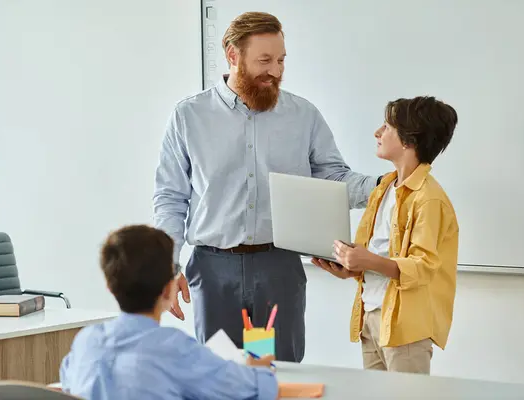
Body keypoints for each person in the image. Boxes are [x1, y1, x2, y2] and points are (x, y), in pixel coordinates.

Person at [153, 11, 378, 362]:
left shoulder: (303, 116)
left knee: (276, 372)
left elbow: (334, 178)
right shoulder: (189, 117)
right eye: (265, 60)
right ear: (233, 56)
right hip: (214, 272)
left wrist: (383, 186)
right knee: (220, 373)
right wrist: (168, 265)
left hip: (278, 270)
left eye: (281, 60)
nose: (275, 70)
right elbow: (171, 198)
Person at [312, 96, 459, 374]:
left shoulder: (429, 199)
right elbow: (381, 254)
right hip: (372, 314)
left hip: (404, 328)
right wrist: (352, 268)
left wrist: (366, 261)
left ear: (408, 140)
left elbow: (423, 267)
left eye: (387, 126)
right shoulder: (384, 188)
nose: (378, 133)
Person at [59, 225, 279, 400]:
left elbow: (67, 383)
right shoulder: (176, 349)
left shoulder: (86, 342)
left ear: (110, 287)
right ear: (168, 290)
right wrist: (257, 370)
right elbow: (256, 389)